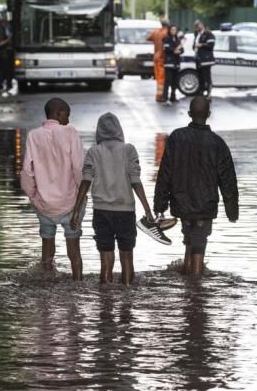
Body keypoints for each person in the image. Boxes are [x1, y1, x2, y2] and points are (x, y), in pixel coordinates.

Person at [154, 96, 239, 276]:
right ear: (208, 114)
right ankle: (196, 291)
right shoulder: (217, 143)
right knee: (199, 244)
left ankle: (187, 284)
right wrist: (232, 212)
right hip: (205, 206)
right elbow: (228, 180)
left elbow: (165, 173)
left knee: (189, 240)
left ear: (189, 114)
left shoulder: (177, 137)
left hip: (181, 204)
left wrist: (160, 205)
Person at [70, 113, 155, 285]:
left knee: (105, 261)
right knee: (127, 258)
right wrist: (147, 210)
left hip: (101, 212)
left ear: (99, 131)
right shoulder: (129, 150)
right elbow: (135, 181)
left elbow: (85, 181)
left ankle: (105, 305)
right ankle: (126, 303)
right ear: (119, 130)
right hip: (125, 212)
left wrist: (76, 210)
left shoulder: (93, 151)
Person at [21, 98, 85, 280]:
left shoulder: (33, 135)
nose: (69, 120)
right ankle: (78, 285)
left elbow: (27, 171)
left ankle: (47, 289)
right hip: (70, 203)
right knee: (74, 251)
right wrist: (82, 195)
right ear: (58, 113)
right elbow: (78, 168)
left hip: (44, 205)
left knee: (47, 250)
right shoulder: (70, 132)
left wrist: (33, 196)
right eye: (67, 115)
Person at [147, 19, 170, 102]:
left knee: (158, 78)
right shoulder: (167, 33)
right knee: (162, 78)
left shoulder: (156, 32)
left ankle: (159, 94)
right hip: (163, 58)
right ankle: (160, 96)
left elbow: (148, 38)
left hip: (156, 57)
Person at [162, 24, 184, 105]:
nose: (173, 31)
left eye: (175, 30)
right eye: (172, 30)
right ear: (169, 30)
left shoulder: (177, 39)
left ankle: (173, 96)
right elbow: (166, 49)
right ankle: (164, 97)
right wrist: (174, 51)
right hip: (169, 63)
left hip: (176, 63)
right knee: (168, 81)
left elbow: (182, 49)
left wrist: (180, 51)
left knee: (174, 81)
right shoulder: (167, 38)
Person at [193, 20, 215, 98]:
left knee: (207, 77)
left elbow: (211, 45)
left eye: (198, 25)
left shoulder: (208, 33)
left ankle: (209, 94)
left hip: (206, 59)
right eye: (196, 26)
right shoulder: (196, 34)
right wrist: (194, 47)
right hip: (198, 59)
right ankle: (201, 92)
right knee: (200, 77)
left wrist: (201, 45)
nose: (197, 27)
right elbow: (194, 45)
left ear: (202, 25)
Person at [0, 15, 13, 96]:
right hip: (0, 54)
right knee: (1, 71)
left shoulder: (3, 29)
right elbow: (0, 43)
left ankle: (5, 86)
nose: (8, 24)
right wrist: (8, 40)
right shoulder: (0, 31)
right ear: (3, 23)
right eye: (7, 22)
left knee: (4, 71)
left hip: (2, 54)